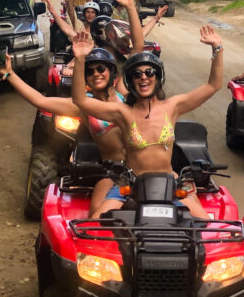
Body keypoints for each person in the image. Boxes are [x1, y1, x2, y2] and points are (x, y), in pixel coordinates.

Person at [71, 25, 224, 220]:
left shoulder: (173, 106)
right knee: (93, 226)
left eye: (149, 72)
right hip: (130, 186)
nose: (143, 77)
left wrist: (217, 48)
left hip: (170, 184)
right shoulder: (122, 112)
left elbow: (213, 85)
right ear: (130, 81)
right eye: (137, 74)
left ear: (158, 78)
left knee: (207, 227)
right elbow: (80, 100)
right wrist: (79, 58)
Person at [0, 46, 129, 217]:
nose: (96, 74)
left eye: (100, 68)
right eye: (89, 72)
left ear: (111, 72)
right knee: (97, 219)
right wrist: (9, 73)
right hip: (112, 171)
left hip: (137, 167)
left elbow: (137, 47)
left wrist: (149, 17)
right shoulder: (82, 105)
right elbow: (40, 100)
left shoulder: (123, 96)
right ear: (85, 79)